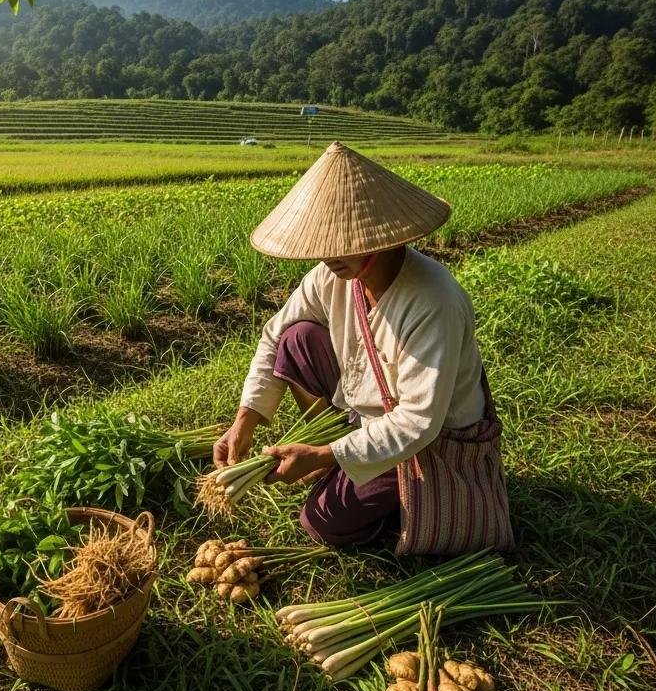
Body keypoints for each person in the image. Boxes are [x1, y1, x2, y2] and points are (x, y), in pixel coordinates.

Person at [213, 141, 501, 550]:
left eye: (344, 244)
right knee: (297, 338)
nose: (329, 257)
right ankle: (342, 456)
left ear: (383, 236)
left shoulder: (432, 300)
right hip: (366, 413)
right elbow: (274, 334)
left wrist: (324, 455)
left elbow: (419, 421)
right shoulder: (331, 275)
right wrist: (246, 419)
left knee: (322, 522)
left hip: (429, 440)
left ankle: (391, 499)